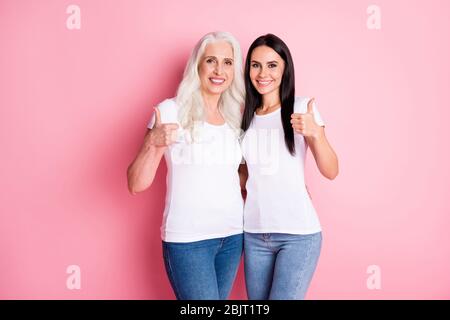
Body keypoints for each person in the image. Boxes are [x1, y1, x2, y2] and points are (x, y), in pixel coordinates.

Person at [127, 31, 245, 300]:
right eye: (211, 61)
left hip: (232, 236)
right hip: (188, 240)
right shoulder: (170, 111)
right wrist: (152, 143)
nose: (219, 70)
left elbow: (233, 175)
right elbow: (136, 183)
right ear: (197, 65)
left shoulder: (233, 117)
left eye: (227, 62)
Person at [239, 34, 339, 300]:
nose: (263, 73)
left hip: (298, 235)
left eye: (272, 65)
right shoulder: (243, 117)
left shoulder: (301, 108)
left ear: (285, 68)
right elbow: (245, 173)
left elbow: (331, 170)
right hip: (254, 234)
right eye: (255, 65)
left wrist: (316, 134)